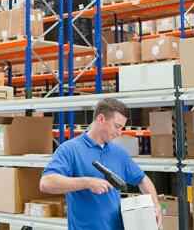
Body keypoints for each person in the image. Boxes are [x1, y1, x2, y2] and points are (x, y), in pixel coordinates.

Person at [39, 97, 162, 230]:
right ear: (101, 119)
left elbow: (142, 179)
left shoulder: (119, 153)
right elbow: (46, 183)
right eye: (117, 126)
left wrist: (155, 206)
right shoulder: (70, 149)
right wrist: (87, 182)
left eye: (122, 128)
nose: (119, 133)